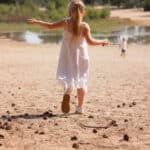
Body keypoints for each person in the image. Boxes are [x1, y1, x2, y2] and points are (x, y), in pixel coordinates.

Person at [27, 0, 109, 114]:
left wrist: (37, 21)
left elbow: (50, 26)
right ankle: (80, 108)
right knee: (82, 80)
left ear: (69, 12)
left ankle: (68, 91)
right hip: (81, 57)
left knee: (69, 75)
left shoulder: (65, 22)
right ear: (83, 13)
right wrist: (103, 41)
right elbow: (91, 42)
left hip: (68, 57)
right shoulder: (84, 26)